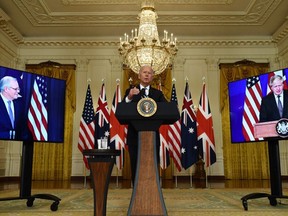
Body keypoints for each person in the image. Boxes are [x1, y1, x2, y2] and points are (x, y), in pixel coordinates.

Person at [123, 65, 167, 185]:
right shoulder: (130, 91)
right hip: (134, 137)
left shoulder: (158, 94)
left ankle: (154, 194)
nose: (147, 74)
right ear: (139, 75)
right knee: (135, 166)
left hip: (152, 138)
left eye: (149, 73)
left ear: (152, 76)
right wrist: (129, 97)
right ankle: (136, 194)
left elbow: (168, 109)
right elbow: (122, 110)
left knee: (152, 166)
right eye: (144, 72)